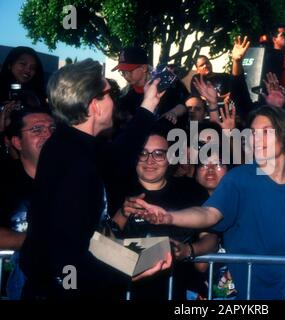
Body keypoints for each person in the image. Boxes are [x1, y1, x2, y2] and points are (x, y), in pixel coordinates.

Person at [138, 105, 285, 300]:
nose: (257, 139)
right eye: (253, 133)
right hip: (251, 295)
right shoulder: (239, 178)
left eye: (265, 132)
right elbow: (209, 214)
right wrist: (169, 216)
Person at [19, 59, 171, 300]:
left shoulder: (70, 144)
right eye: (108, 93)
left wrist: (149, 103)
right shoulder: (76, 163)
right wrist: (129, 270)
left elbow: (117, 158)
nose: (114, 100)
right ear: (94, 105)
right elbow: (66, 255)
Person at [113, 131, 218, 300]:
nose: (150, 161)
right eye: (143, 153)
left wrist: (189, 250)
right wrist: (123, 213)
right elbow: (101, 242)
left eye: (158, 154)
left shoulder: (190, 190)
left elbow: (211, 240)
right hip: (129, 291)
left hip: (180, 291)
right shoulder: (117, 190)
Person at [0, 108, 55, 299]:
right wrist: (38, 242)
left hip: (65, 271)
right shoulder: (5, 179)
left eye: (52, 129)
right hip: (18, 268)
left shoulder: (72, 177)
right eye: (37, 129)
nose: (48, 134)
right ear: (17, 142)